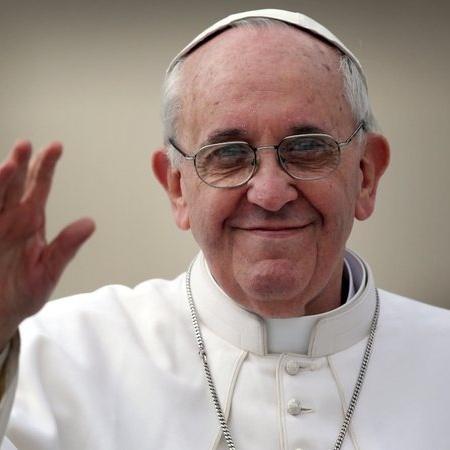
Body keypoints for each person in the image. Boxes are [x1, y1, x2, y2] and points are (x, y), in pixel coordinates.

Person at [0, 8, 449, 450]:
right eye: (229, 154)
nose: (270, 193)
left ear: (366, 175)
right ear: (178, 188)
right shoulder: (55, 357)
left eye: (308, 148)